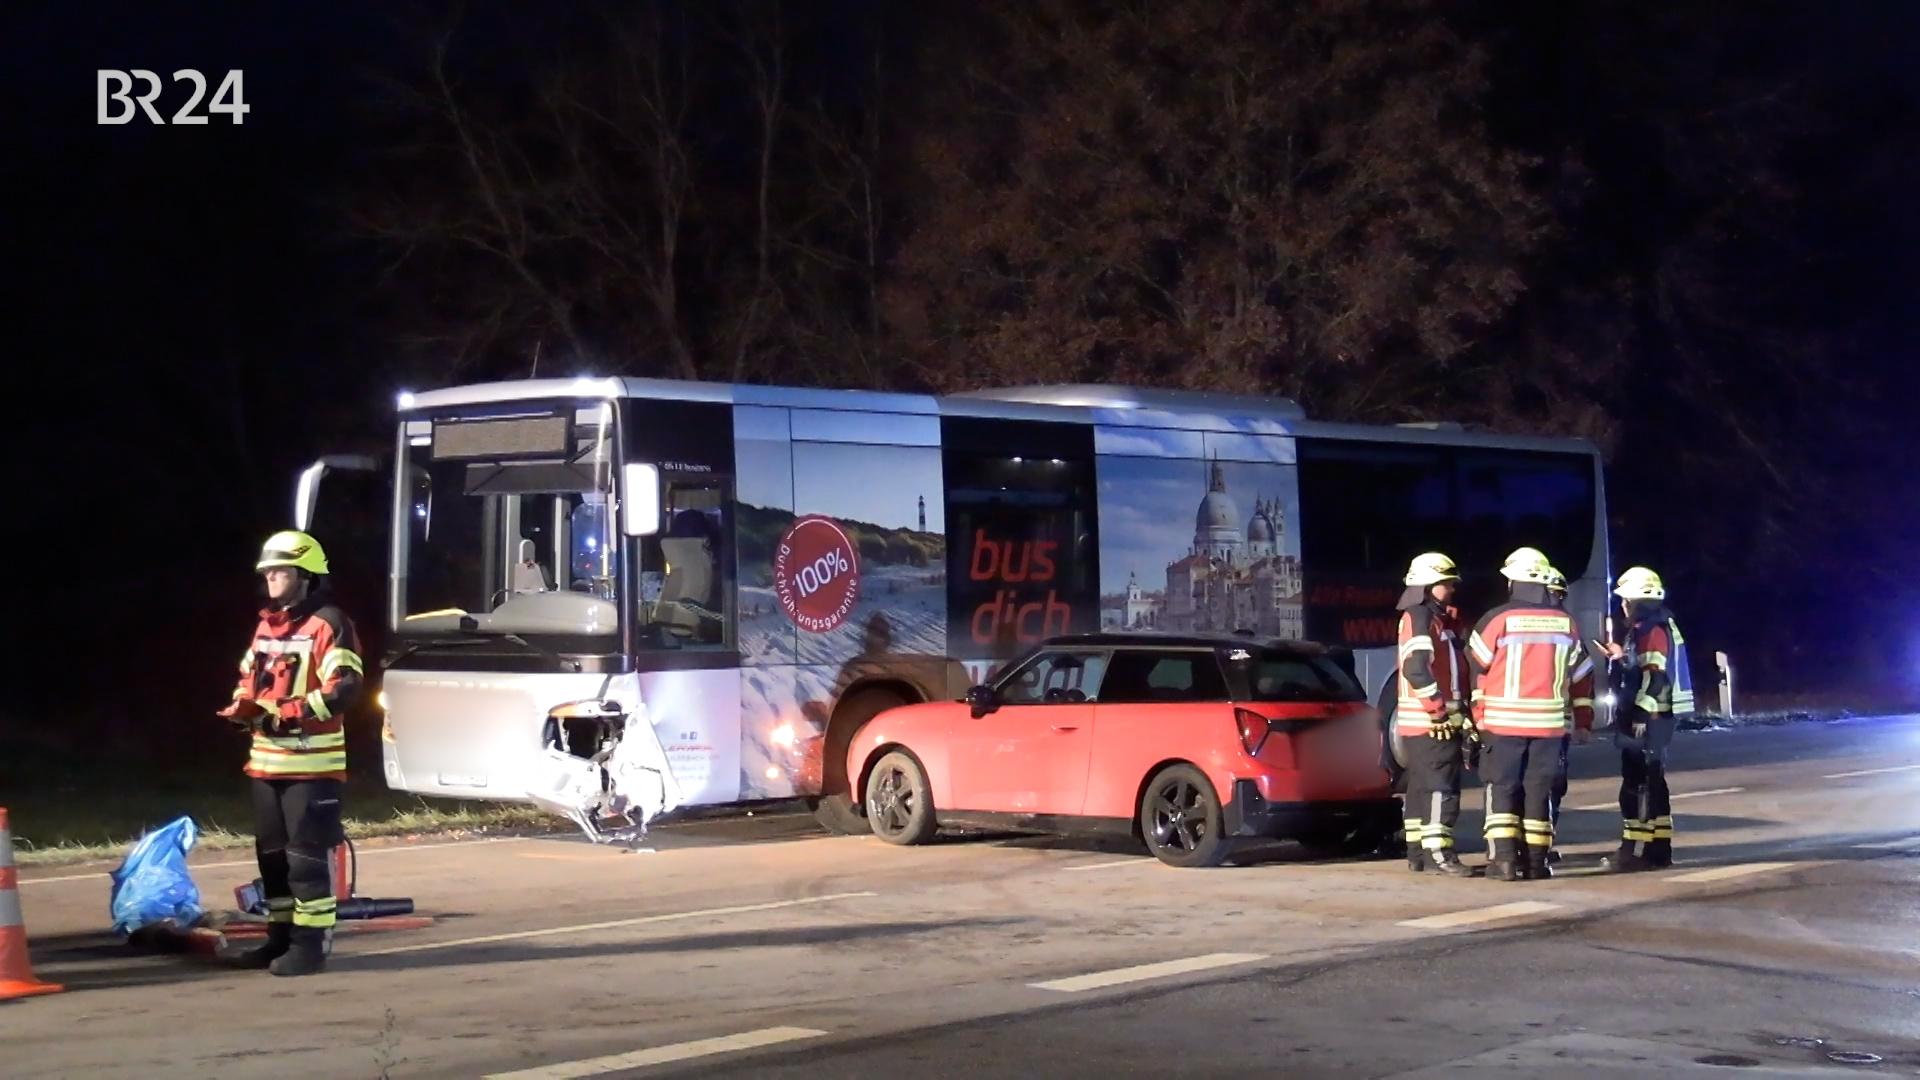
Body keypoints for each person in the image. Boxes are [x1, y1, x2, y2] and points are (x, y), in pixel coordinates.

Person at [216, 531, 365, 976]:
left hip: (312, 768)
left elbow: (345, 687)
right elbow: (248, 675)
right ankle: (278, 939)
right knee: (273, 861)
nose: (270, 577)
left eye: (279, 570)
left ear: (305, 575)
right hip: (266, 764)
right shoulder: (267, 626)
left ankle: (309, 946)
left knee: (306, 861)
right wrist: (242, 706)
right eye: (267, 571)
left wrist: (290, 714)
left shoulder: (330, 623)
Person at [1468, 548, 1595, 881]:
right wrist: (1583, 721)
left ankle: (1504, 862)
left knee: (1502, 788)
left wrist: (1477, 716)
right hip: (1549, 726)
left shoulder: (1497, 619)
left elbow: (1475, 663)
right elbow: (1583, 674)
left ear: (1513, 582)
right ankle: (1538, 863)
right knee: (1539, 792)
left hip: (1503, 723)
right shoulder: (1566, 623)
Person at [1600, 567, 1694, 872]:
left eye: (1625, 601)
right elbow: (1645, 668)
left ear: (1636, 602)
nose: (1622, 606)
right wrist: (1621, 657)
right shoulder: (1653, 626)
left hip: (1650, 717)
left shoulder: (1652, 630)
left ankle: (1640, 850)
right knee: (1650, 783)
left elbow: (1655, 677)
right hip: (1656, 716)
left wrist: (1639, 713)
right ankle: (1656, 849)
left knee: (1638, 784)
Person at [1393, 553, 1473, 877]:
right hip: (1431, 722)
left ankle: (1417, 852)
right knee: (1441, 786)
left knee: (1421, 786)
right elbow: (1416, 669)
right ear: (1427, 585)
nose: (1451, 588)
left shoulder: (1435, 618)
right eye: (1445, 583)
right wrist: (1438, 712)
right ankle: (1439, 854)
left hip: (1423, 721)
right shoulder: (1421, 616)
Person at [1543, 566, 1573, 865]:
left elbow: (1582, 678)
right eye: (1552, 595)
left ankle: (1542, 843)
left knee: (1553, 786)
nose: (1556, 602)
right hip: (1537, 725)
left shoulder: (1567, 629)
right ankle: (1533, 846)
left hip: (1555, 725)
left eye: (1559, 596)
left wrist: (1584, 720)